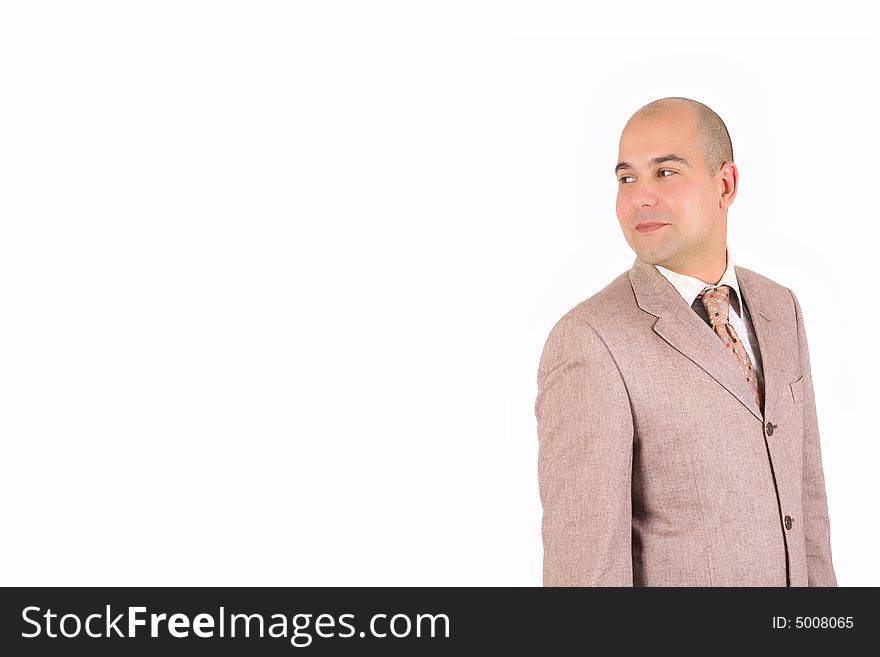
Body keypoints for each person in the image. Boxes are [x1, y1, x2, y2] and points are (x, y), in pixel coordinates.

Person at [535, 97, 836, 586]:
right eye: (626, 178)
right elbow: (584, 572)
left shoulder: (781, 309)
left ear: (725, 185)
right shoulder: (590, 341)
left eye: (666, 173)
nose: (640, 198)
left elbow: (809, 508)